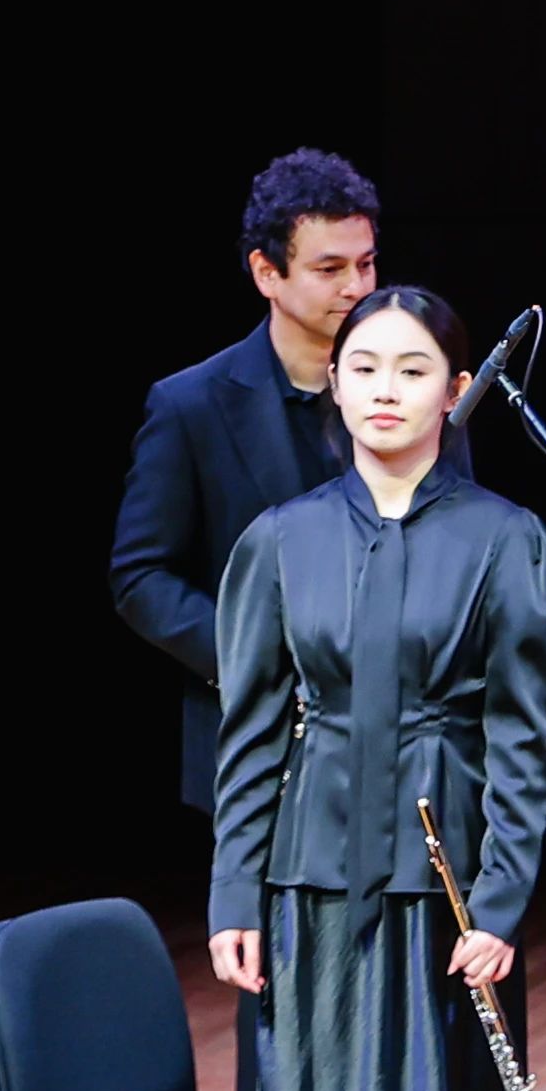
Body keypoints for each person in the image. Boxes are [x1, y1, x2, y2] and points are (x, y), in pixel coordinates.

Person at [208, 285, 546, 1091]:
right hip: (312, 882)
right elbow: (251, 733)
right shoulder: (280, 539)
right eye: (363, 366)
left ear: (455, 392)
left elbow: (523, 742)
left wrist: (501, 905)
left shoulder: (507, 540)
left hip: (442, 884)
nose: (383, 390)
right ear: (335, 383)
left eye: (412, 370)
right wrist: (235, 889)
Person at [112, 151, 382, 811]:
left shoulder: (409, 394)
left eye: (367, 263)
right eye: (330, 269)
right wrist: (257, 660)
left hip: (401, 751)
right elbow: (141, 577)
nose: (357, 287)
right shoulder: (191, 406)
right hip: (260, 754)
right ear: (266, 272)